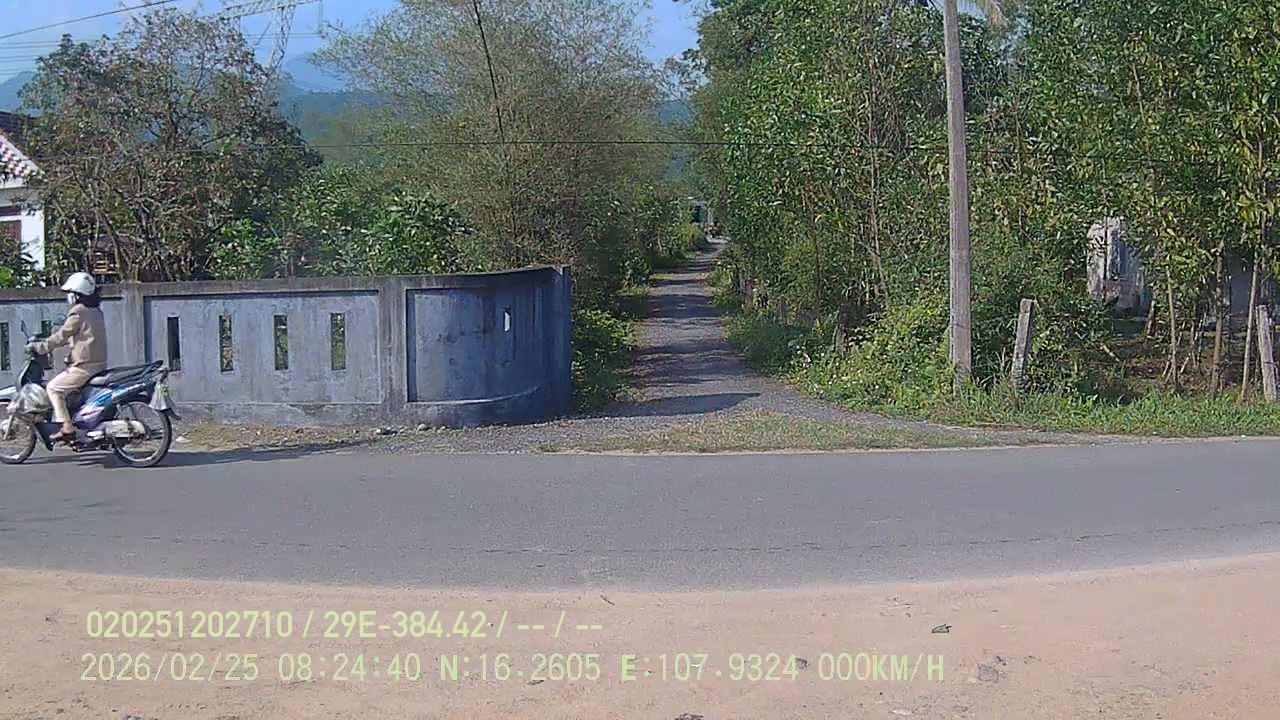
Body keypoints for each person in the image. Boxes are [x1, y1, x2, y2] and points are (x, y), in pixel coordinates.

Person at [27, 273, 107, 441]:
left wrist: (41, 347)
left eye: (70, 293)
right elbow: (83, 338)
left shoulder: (78, 312)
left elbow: (62, 336)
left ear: (77, 294)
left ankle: (67, 428)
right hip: (98, 365)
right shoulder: (96, 311)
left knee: (53, 388)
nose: (68, 297)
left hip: (84, 367)